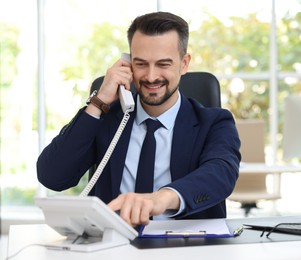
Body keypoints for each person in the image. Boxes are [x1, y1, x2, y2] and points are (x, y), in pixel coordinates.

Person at [37, 12, 240, 227]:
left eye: (163, 64)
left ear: (184, 63)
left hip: (185, 247)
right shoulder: (109, 119)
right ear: (127, 63)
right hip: (113, 246)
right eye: (141, 64)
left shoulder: (215, 122)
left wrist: (159, 199)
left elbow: (220, 174)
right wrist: (99, 102)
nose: (151, 77)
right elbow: (53, 176)